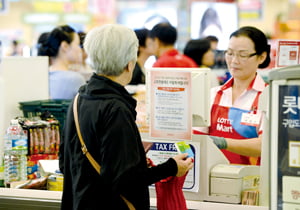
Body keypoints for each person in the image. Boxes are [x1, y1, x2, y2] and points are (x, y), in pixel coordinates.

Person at [59, 24, 194, 210]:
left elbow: (65, 163)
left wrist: (135, 155)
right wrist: (171, 167)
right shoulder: (116, 108)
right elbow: (125, 180)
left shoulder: (78, 99)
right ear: (129, 64)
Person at [194, 26, 271, 165]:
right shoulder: (213, 94)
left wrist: (224, 143)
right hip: (212, 178)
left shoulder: (269, 97)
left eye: (242, 55)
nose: (234, 61)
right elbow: (197, 139)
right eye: (229, 53)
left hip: (252, 181)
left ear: (261, 57)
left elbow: (265, 145)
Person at [38, 25, 86, 99]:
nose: (79, 50)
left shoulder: (41, 76)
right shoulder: (75, 79)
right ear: (65, 46)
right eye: (77, 44)